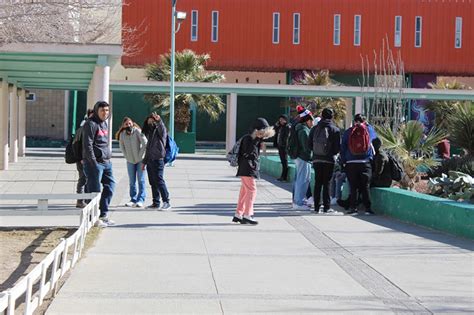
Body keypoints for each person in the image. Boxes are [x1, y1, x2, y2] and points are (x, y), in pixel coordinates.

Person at [233, 118, 274, 225]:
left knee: (245, 191)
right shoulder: (249, 139)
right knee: (252, 190)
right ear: (256, 130)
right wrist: (256, 141)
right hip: (247, 168)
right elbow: (248, 153)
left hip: (245, 168)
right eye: (262, 133)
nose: (263, 135)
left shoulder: (252, 139)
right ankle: (247, 215)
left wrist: (258, 141)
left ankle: (239, 214)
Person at [82, 101, 116, 227]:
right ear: (97, 111)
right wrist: (93, 162)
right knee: (94, 192)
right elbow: (87, 145)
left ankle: (103, 214)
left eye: (107, 110)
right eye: (102, 110)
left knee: (111, 187)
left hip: (106, 162)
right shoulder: (90, 124)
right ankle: (93, 218)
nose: (105, 113)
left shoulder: (104, 124)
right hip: (94, 163)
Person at [340, 114, 377, 215]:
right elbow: (376, 138)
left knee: (353, 186)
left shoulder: (348, 132)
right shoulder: (368, 130)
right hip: (365, 162)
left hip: (351, 163)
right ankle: (368, 208)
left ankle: (353, 208)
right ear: (364, 121)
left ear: (354, 121)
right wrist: (367, 125)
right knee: (365, 186)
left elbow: (342, 148)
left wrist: (343, 161)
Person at [308, 108, 341, 213]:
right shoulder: (335, 129)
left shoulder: (314, 128)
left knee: (318, 183)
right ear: (331, 117)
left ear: (321, 116)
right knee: (327, 184)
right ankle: (326, 207)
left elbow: (309, 145)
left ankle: (316, 207)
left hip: (317, 159)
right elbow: (337, 148)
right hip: (329, 160)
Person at [116, 117, 148, 208]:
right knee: (132, 181)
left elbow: (145, 143)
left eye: (130, 123)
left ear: (132, 123)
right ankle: (133, 199)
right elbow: (121, 147)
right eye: (126, 124)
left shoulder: (137, 131)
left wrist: (141, 155)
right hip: (130, 161)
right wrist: (126, 156)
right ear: (123, 125)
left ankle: (140, 199)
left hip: (140, 161)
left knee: (141, 180)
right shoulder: (122, 134)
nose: (128, 125)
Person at [142, 113, 171, 210]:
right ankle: (156, 202)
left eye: (153, 120)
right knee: (152, 182)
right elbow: (148, 149)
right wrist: (144, 162)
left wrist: (159, 121)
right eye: (149, 120)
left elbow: (162, 128)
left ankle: (166, 201)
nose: (151, 121)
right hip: (150, 160)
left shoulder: (160, 132)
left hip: (158, 159)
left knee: (159, 180)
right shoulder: (149, 133)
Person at [292, 110, 314, 210]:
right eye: (311, 120)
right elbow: (306, 147)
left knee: (299, 180)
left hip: (299, 157)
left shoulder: (298, 128)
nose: (312, 123)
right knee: (303, 180)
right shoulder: (304, 130)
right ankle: (298, 203)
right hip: (303, 158)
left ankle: (297, 201)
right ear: (307, 121)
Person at [75, 109, 94, 208]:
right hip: (82, 159)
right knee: (83, 179)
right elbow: (77, 145)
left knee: (86, 179)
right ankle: (80, 200)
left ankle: (85, 199)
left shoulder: (87, 128)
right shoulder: (84, 129)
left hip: (87, 159)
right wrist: (80, 158)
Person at [274, 114, 290, 181]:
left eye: (282, 119)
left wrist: (284, 145)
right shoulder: (280, 127)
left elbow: (287, 137)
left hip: (284, 147)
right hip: (280, 146)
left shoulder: (287, 127)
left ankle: (284, 176)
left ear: (285, 120)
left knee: (284, 161)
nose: (280, 121)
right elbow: (274, 130)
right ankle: (282, 176)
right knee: (282, 161)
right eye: (280, 119)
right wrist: (276, 125)